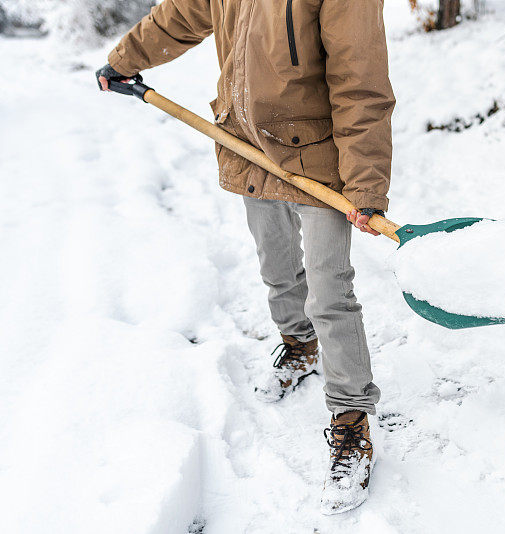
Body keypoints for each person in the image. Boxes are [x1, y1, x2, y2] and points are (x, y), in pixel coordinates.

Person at [96, 0, 394, 514]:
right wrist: (125, 59)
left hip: (320, 158)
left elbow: (360, 79)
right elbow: (180, 15)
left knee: (330, 293)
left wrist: (365, 182)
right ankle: (299, 346)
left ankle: (351, 421)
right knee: (276, 266)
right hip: (247, 143)